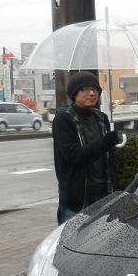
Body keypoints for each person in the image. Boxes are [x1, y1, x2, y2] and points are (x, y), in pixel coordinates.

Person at [52, 72, 122, 224]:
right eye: (84, 89)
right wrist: (106, 142)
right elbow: (74, 156)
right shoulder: (64, 118)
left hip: (104, 195)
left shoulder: (101, 117)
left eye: (95, 89)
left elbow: (109, 159)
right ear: (74, 93)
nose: (91, 93)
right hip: (77, 200)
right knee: (70, 244)